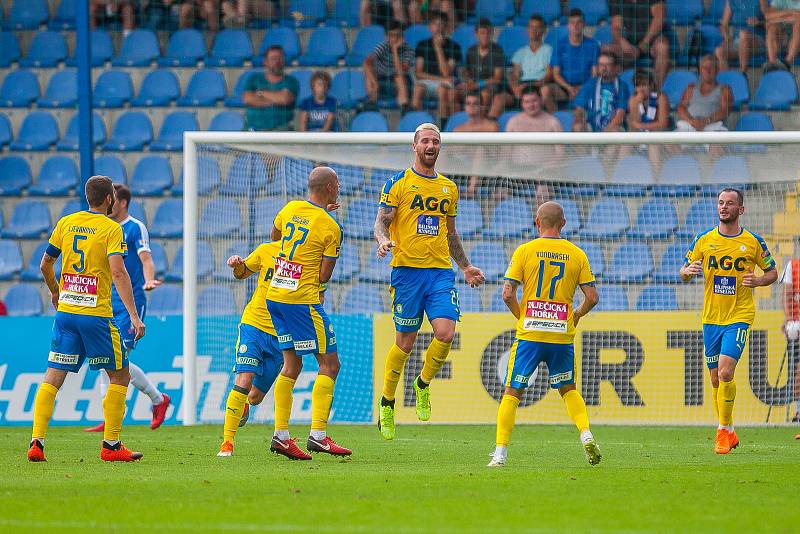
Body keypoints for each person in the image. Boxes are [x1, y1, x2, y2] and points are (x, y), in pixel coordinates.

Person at [374, 123, 485, 440]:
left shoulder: (449, 188)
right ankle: (387, 402)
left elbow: (450, 233)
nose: (430, 145)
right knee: (405, 343)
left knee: (446, 333)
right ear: (414, 146)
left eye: (435, 141)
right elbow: (382, 220)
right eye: (425, 140)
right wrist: (382, 240)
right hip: (407, 272)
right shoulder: (398, 183)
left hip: (439, 272)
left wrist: (464, 266)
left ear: (440, 147)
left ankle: (422, 384)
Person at [28, 175, 145, 463]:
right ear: (109, 200)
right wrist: (133, 315)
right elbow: (118, 273)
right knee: (120, 374)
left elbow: (45, 263)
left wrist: (56, 293)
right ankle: (112, 445)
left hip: (66, 312)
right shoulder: (111, 228)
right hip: (95, 315)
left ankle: (36, 442)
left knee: (53, 376)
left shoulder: (66, 223)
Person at [487, 201, 601, 468]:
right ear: (563, 223)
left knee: (512, 391)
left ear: (537, 222)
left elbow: (507, 293)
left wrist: (522, 316)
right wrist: (577, 314)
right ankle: (586, 434)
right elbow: (592, 297)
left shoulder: (525, 251)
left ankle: (500, 454)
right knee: (569, 389)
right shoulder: (577, 254)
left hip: (531, 334)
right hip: (561, 334)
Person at [680, 188, 778, 454]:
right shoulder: (703, 239)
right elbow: (684, 269)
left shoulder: (753, 242)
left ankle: (722, 432)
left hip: (740, 315)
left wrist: (757, 281)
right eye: (721, 203)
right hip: (711, 317)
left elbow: (772, 272)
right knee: (714, 379)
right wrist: (687, 272)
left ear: (741, 210)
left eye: (730, 203)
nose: (724, 207)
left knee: (725, 371)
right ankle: (730, 430)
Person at [266, 167, 351, 460]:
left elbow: (275, 236)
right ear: (329, 187)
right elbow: (324, 274)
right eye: (337, 183)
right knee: (330, 364)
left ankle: (281, 435)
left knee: (291, 365)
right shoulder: (330, 226)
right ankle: (318, 435)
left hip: (276, 295)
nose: (339, 187)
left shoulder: (290, 208)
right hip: (303, 301)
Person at [84, 184, 170, 434]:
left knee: (116, 357)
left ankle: (157, 399)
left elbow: (146, 259)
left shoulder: (134, 227)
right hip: (106, 301)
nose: (109, 205)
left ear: (121, 202)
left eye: (112, 201)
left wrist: (149, 279)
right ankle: (112, 415)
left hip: (130, 301)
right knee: (105, 359)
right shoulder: (104, 227)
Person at [217, 240, 286, 457]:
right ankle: (227, 443)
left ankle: (245, 405)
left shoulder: (304, 257)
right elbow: (241, 273)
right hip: (253, 325)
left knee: (255, 396)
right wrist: (237, 264)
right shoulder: (266, 250)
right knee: (244, 381)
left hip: (280, 333)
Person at [605, 1, 673, 87]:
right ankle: (610, 88)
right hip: (630, 41)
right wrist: (622, 41)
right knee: (606, 50)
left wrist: (644, 44)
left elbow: (659, 19)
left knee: (662, 46)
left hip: (652, 40)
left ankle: (655, 90)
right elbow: (616, 26)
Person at [412, 10, 462, 118]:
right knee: (417, 88)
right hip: (429, 82)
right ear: (430, 27)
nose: (438, 28)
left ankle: (442, 127)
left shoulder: (454, 46)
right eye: (435, 24)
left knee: (443, 90)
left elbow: (446, 73)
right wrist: (439, 80)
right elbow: (418, 73)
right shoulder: (422, 45)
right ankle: (416, 123)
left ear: (446, 27)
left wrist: (438, 48)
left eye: (442, 24)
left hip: (445, 84)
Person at [547, 9, 601, 109]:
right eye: (572, 23)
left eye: (579, 22)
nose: (575, 25)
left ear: (584, 24)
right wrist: (569, 88)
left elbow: (595, 74)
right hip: (564, 87)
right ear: (568, 25)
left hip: (586, 86)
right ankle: (555, 120)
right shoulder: (559, 45)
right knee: (545, 91)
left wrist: (582, 88)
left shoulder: (593, 45)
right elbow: (556, 74)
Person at [453, 92, 499, 199]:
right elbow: (455, 151)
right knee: (443, 152)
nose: (471, 107)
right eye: (468, 104)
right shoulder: (458, 129)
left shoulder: (492, 126)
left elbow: (493, 150)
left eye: (475, 104)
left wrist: (468, 147)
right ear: (464, 107)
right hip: (462, 166)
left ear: (482, 106)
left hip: (487, 166)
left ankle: (471, 190)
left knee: (480, 149)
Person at [244, 46, 299, 132]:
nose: (277, 62)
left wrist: (260, 93)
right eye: (273, 59)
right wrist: (275, 99)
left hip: (281, 130)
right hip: (252, 130)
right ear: (265, 62)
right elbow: (248, 99)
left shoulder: (291, 81)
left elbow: (284, 99)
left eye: (280, 58)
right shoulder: (254, 78)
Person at [572, 51, 630, 133]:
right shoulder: (590, 84)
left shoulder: (622, 87)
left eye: (607, 65)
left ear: (616, 67)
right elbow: (579, 109)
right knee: (577, 127)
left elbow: (620, 114)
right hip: (591, 127)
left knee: (615, 131)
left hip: (612, 127)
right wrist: (580, 120)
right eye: (601, 65)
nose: (603, 68)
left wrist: (606, 131)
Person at [461, 18, 507, 119]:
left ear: (491, 34)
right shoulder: (471, 50)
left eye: (488, 33)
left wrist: (478, 84)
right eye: (482, 33)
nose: (485, 36)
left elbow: (497, 78)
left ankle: (480, 122)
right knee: (455, 92)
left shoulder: (497, 51)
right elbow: (466, 72)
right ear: (476, 34)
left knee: (484, 94)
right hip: (473, 85)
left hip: (492, 87)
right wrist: (467, 80)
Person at [364, 20, 415, 110]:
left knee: (399, 78)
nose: (394, 38)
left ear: (402, 36)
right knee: (369, 74)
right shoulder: (383, 46)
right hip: (381, 81)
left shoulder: (408, 50)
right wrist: (374, 82)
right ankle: (371, 103)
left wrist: (394, 50)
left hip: (399, 82)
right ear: (386, 37)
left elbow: (400, 72)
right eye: (391, 35)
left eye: (398, 35)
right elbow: (366, 62)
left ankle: (404, 107)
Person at [675, 55, 733, 133]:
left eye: (711, 68)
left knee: (718, 145)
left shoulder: (725, 89)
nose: (707, 71)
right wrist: (691, 121)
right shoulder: (691, 88)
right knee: (670, 143)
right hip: (690, 125)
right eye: (704, 68)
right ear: (700, 70)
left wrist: (706, 121)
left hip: (713, 127)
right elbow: (681, 107)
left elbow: (725, 110)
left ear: (717, 70)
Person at [626, 69, 670, 169]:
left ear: (651, 85)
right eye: (638, 85)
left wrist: (641, 126)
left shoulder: (661, 97)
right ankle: (618, 180)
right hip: (639, 137)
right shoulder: (633, 100)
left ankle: (655, 181)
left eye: (644, 85)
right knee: (625, 145)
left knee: (653, 144)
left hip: (658, 136)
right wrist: (636, 103)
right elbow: (633, 127)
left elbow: (663, 124)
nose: (641, 89)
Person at [509, 15, 554, 111]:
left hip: (540, 84)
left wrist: (533, 85)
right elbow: (515, 75)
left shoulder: (549, 50)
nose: (533, 30)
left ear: (544, 31)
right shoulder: (520, 52)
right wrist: (514, 87)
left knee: (544, 91)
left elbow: (549, 74)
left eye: (537, 27)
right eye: (531, 27)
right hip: (524, 84)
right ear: (527, 30)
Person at [715, 0, 768, 74]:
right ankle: (727, 77)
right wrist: (727, 38)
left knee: (744, 34)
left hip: (758, 39)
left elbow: (770, 19)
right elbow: (724, 25)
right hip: (738, 40)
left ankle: (742, 73)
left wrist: (759, 22)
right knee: (719, 51)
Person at [778, 251, 800, 426]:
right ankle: (799, 411)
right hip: (798, 326)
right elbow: (786, 294)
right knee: (798, 370)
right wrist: (788, 319)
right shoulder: (793, 266)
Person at [765, 0, 800, 70]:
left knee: (798, 25)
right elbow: (768, 16)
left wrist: (777, 18)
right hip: (783, 36)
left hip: (797, 39)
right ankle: (773, 64)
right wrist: (791, 12)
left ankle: (787, 63)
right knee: (772, 28)